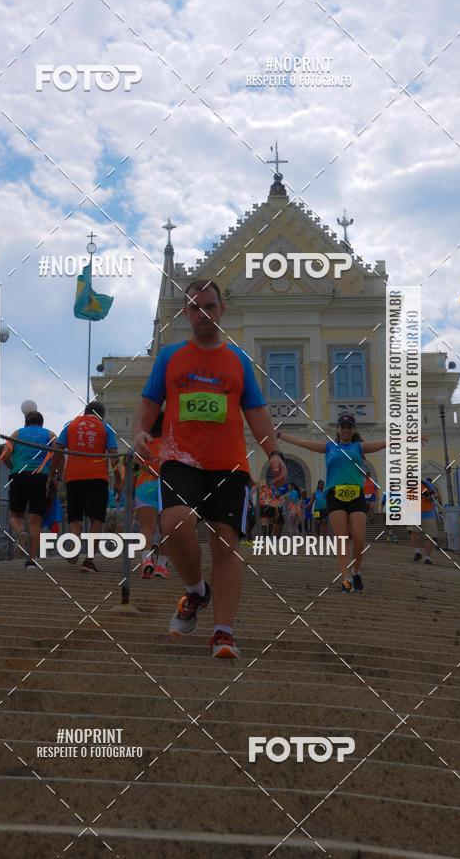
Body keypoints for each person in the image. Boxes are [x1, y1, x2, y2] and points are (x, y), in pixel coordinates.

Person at [133, 279, 287, 659]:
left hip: (230, 465)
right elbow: (150, 402)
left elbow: (256, 412)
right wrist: (138, 432)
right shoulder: (169, 357)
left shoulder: (238, 361)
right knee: (175, 523)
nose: (203, 314)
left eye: (210, 306)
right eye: (195, 307)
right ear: (185, 313)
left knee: (226, 541)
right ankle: (196, 589)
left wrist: (274, 453)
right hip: (180, 459)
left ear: (222, 309)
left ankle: (223, 631)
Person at [277, 414, 387, 594]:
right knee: (342, 538)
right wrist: (281, 436)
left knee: (359, 538)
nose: (346, 430)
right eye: (343, 426)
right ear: (337, 429)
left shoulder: (359, 447)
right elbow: (303, 442)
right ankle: (345, 578)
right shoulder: (329, 447)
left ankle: (356, 571)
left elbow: (384, 442)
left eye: (349, 427)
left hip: (356, 495)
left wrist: (409, 437)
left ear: (353, 430)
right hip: (334, 495)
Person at [48, 401, 120, 573]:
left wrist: (52, 476)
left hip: (73, 476)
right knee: (97, 518)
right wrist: (118, 480)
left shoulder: (70, 424)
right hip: (97, 477)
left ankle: (74, 539)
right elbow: (114, 455)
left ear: (86, 412)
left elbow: (57, 449)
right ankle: (89, 560)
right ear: (100, 415)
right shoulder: (105, 427)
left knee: (74, 516)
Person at [2, 410, 56, 570]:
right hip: (41, 477)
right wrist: (55, 477)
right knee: (35, 520)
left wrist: (14, 469)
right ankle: (31, 561)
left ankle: (20, 532)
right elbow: (59, 455)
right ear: (41, 423)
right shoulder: (50, 434)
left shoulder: (17, 433)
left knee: (15, 515)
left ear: (26, 422)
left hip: (19, 475)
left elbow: (4, 456)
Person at [134, 410, 170, 578]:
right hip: (165, 486)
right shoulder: (169, 444)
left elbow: (134, 464)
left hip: (144, 486)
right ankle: (162, 566)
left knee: (146, 527)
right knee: (166, 529)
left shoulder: (143, 444)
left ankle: (146, 560)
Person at [409, 479, 439, 565]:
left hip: (425, 513)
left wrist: (427, 497)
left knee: (429, 536)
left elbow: (435, 495)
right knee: (415, 532)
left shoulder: (426, 484)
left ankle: (425, 556)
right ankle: (421, 554)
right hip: (417, 513)